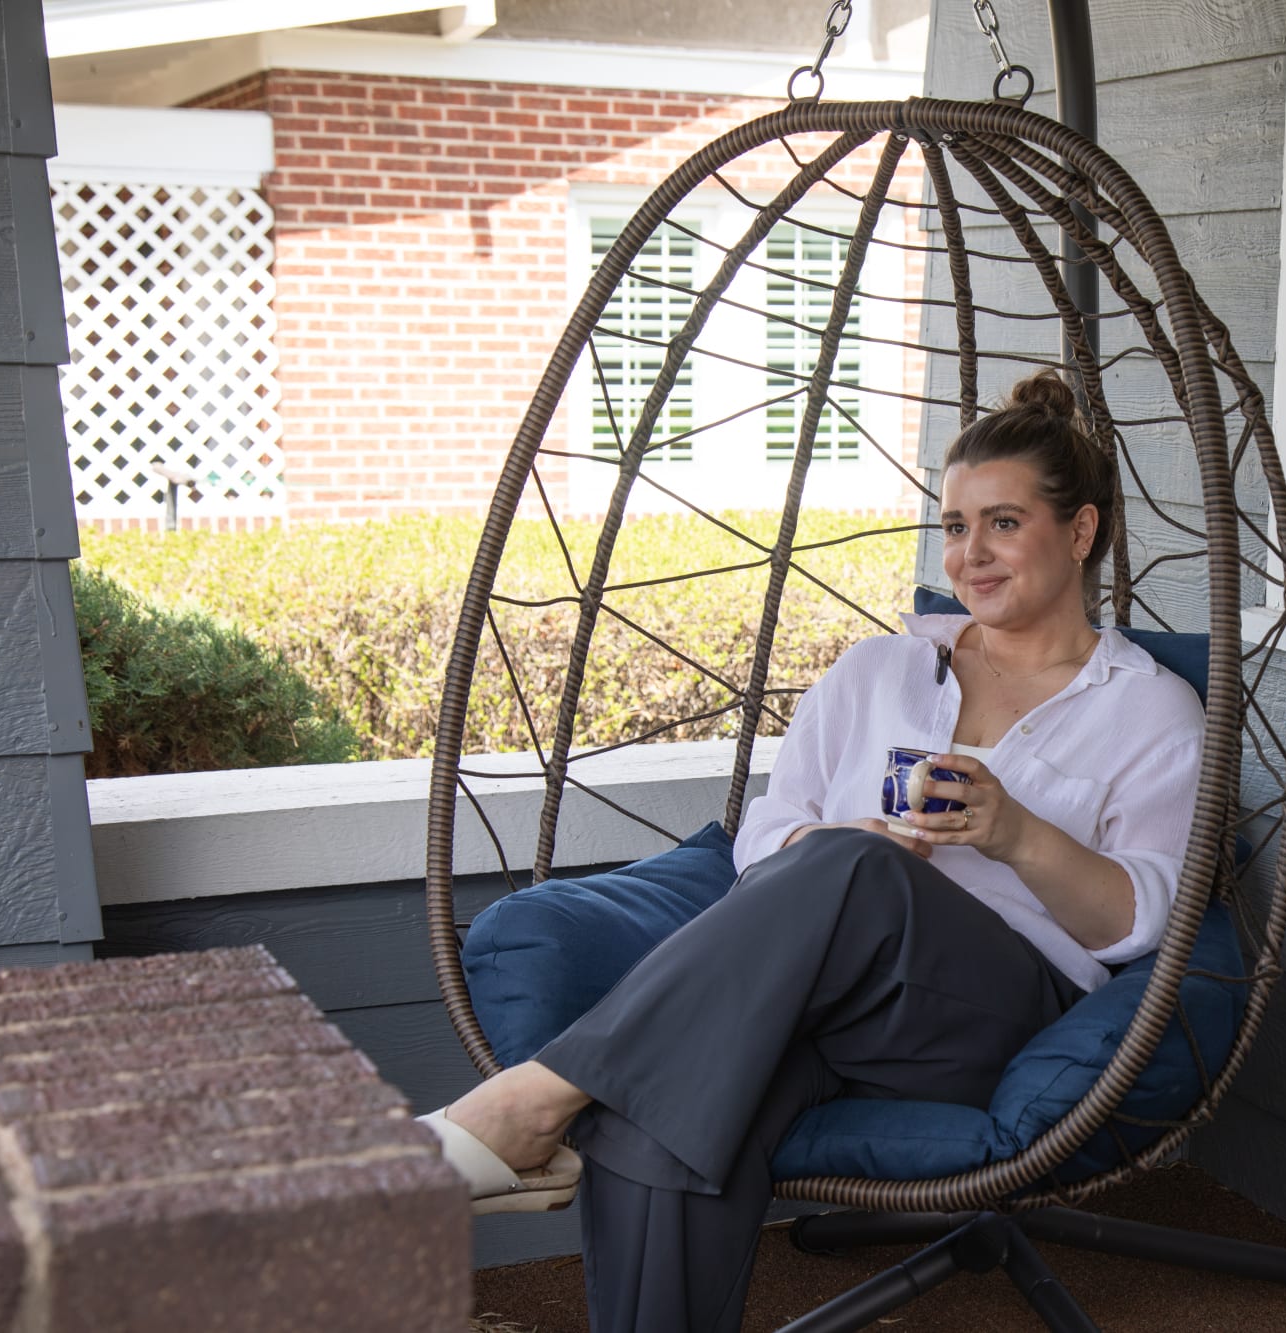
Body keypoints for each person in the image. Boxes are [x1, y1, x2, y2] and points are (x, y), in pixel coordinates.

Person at [419, 370, 1207, 1332]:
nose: (971, 553)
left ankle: (534, 1100)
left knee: (856, 872)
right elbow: (764, 833)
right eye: (955, 526)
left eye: (1003, 523)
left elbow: (1146, 921)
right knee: (655, 1108)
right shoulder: (879, 669)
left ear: (1080, 531)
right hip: (818, 992)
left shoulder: (1147, 707)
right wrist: (828, 840)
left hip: (983, 1015)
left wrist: (1016, 835)